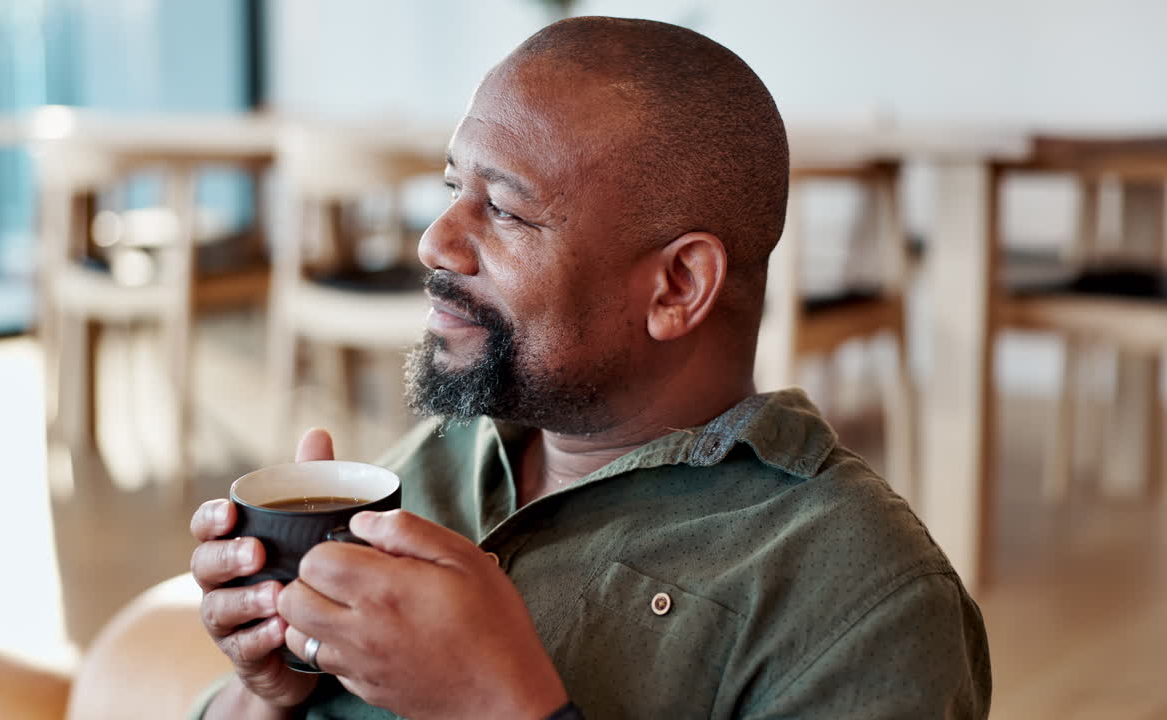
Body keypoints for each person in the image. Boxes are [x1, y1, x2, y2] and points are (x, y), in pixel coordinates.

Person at [189, 16, 991, 720]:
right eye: (450, 187)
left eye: (502, 208)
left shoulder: (858, 599)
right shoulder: (442, 458)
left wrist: (494, 705)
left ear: (677, 286)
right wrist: (264, 695)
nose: (435, 242)